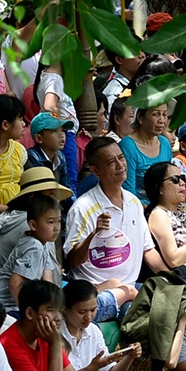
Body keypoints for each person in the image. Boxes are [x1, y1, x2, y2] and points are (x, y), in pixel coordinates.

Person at [63, 138, 149, 323]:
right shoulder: (83, 208)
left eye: (121, 158)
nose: (120, 166)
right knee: (143, 319)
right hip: (98, 291)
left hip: (131, 286)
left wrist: (171, 275)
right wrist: (94, 234)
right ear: (95, 171)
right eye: (111, 162)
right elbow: (73, 261)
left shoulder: (134, 202)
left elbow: (148, 250)